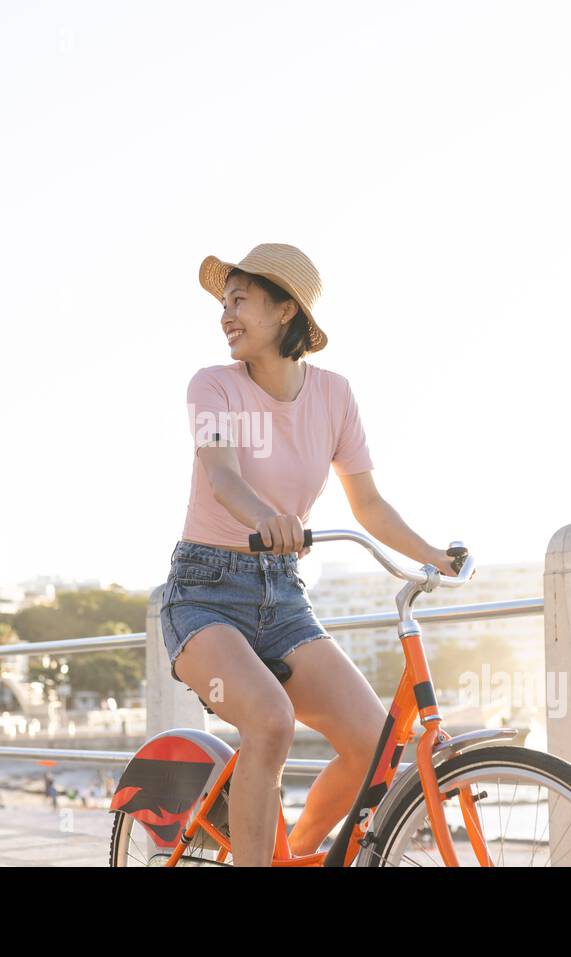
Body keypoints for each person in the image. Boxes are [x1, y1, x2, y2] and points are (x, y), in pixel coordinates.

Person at [163, 244, 465, 866]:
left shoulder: (334, 396)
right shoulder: (212, 385)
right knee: (269, 721)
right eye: (224, 303)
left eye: (240, 300)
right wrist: (266, 518)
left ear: (284, 310)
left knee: (373, 744)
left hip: (283, 595)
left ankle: (293, 855)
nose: (226, 314)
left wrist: (434, 555)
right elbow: (220, 473)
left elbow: (369, 505)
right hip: (204, 593)